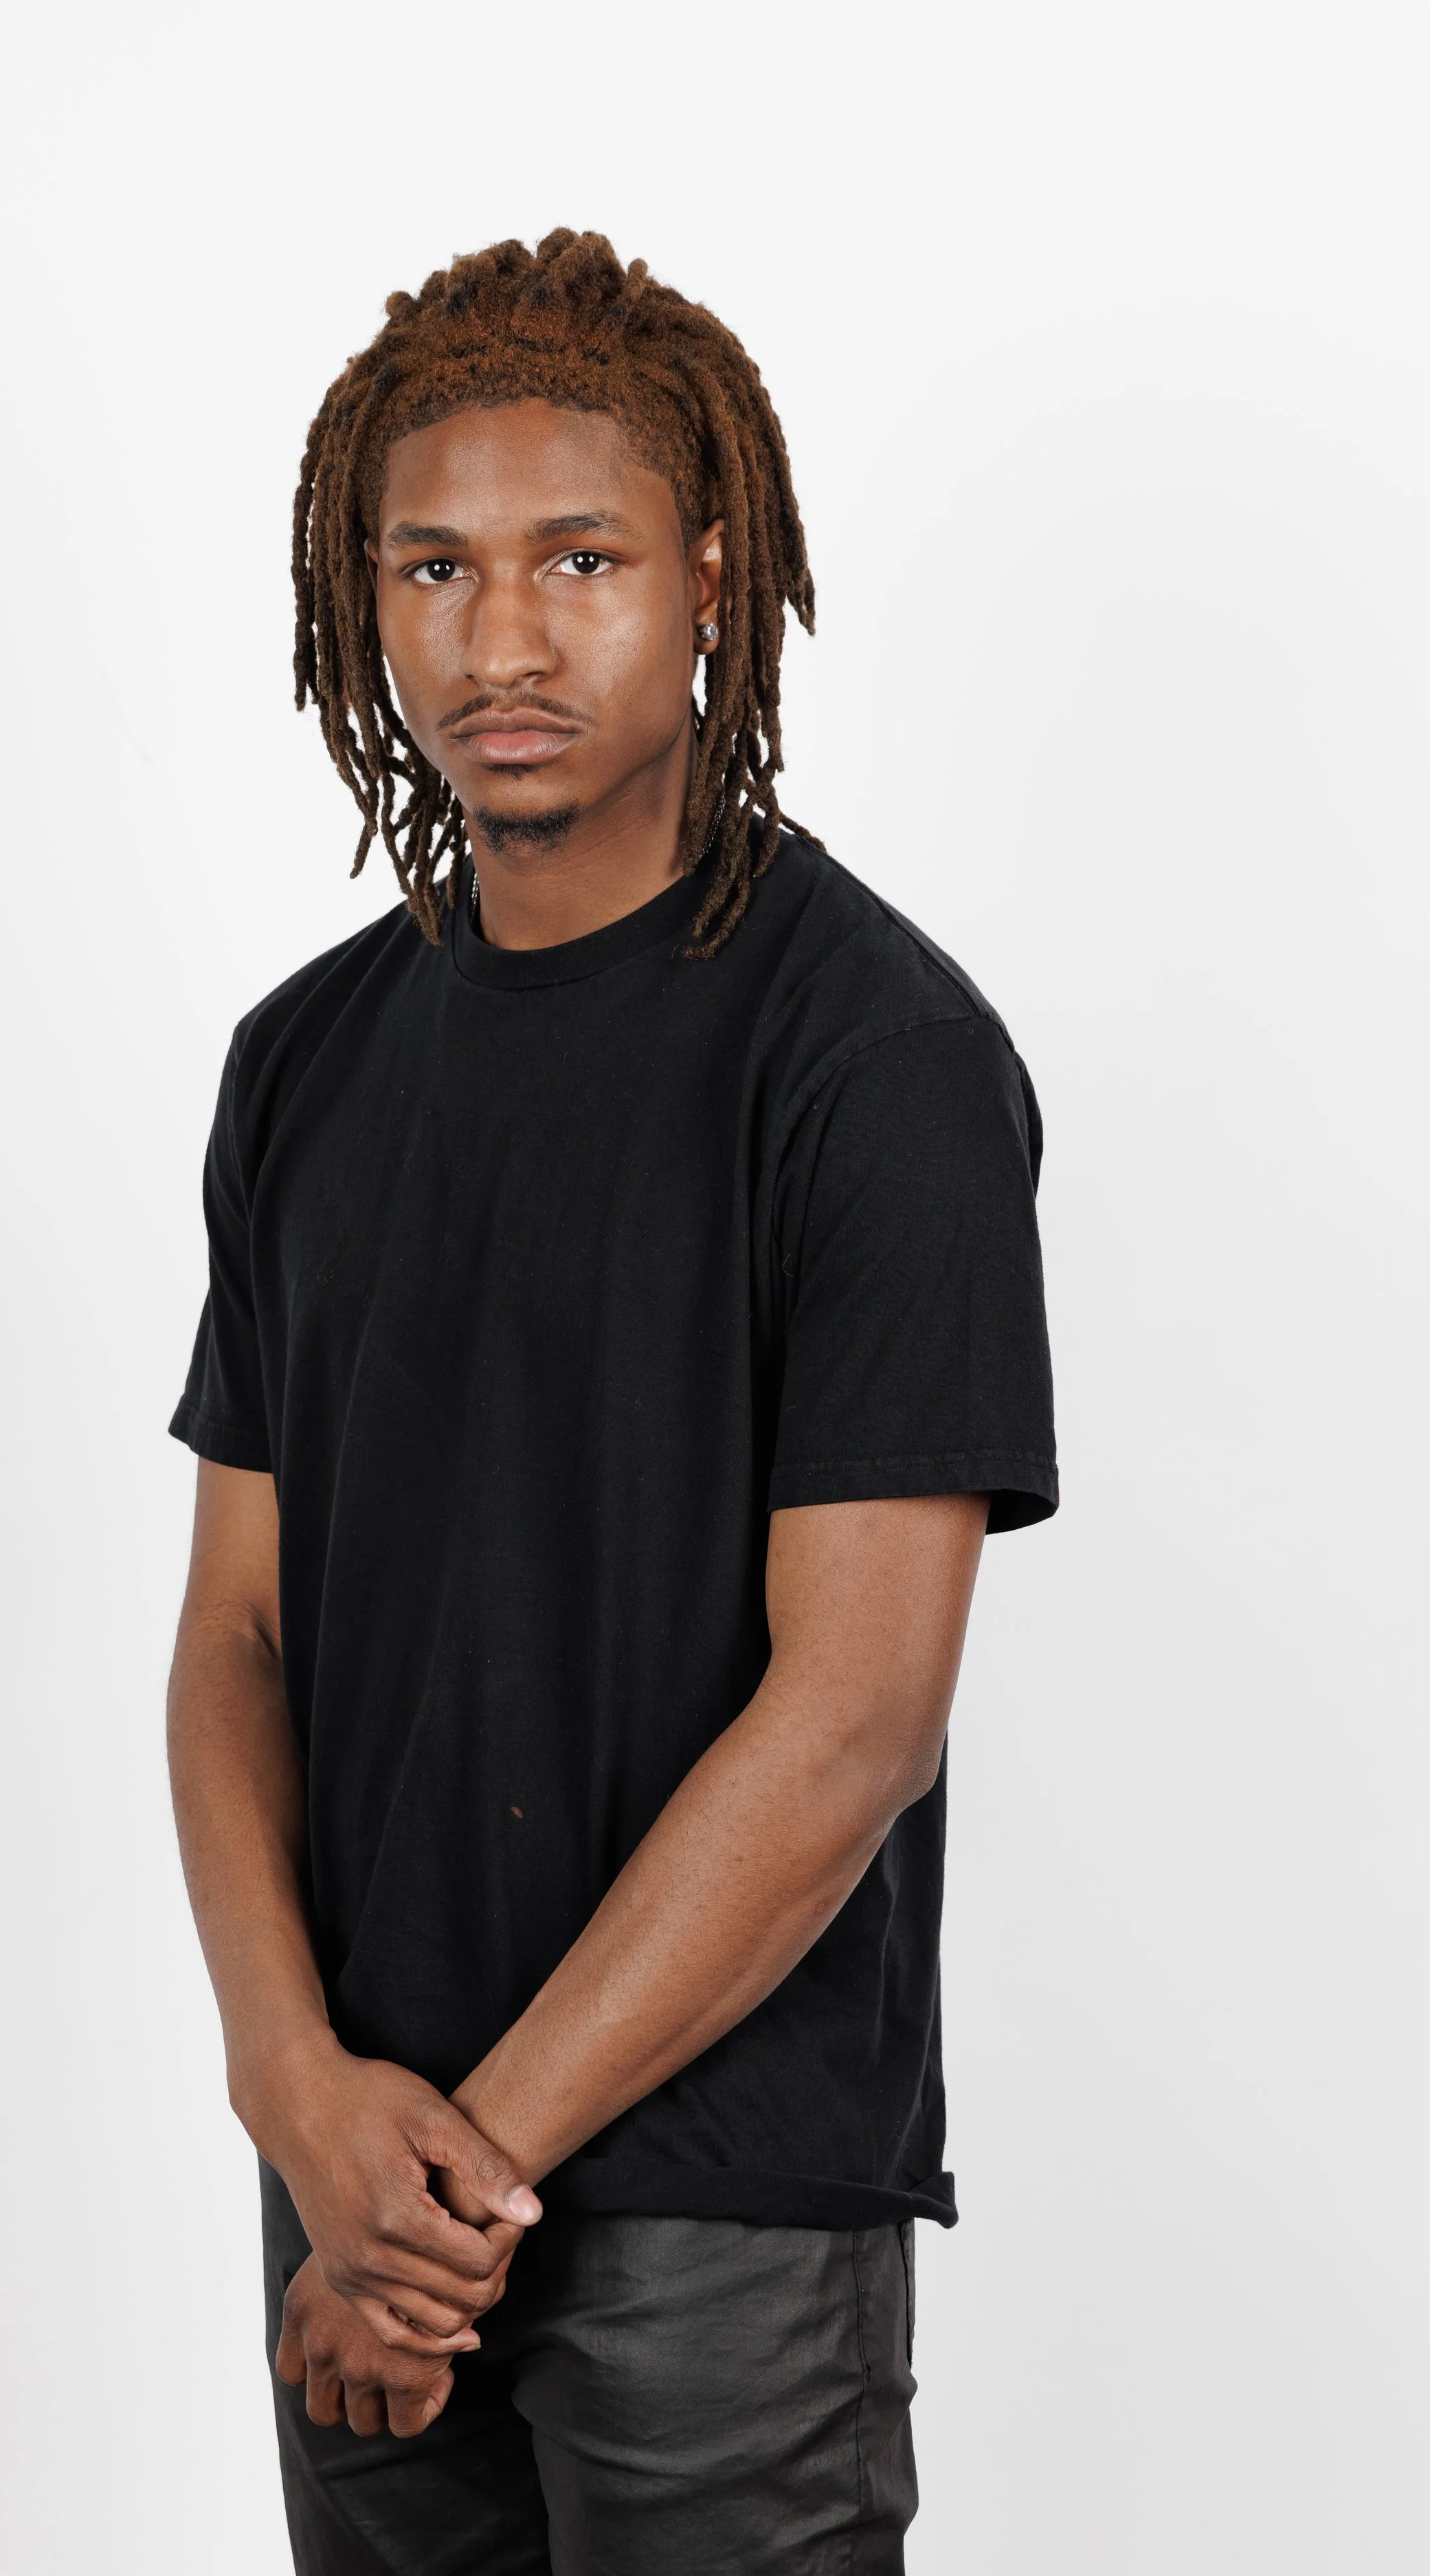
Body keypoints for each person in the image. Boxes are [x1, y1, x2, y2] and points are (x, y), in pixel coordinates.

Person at [166, 229, 1055, 2575]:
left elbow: (857, 1707)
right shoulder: (307, 1063)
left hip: (708, 2211)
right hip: (351, 2184)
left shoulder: (874, 1060)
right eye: (430, 567)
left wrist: (457, 2178)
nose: (497, 639)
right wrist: (304, 2115)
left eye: (577, 558)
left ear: (708, 579)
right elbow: (232, 1642)